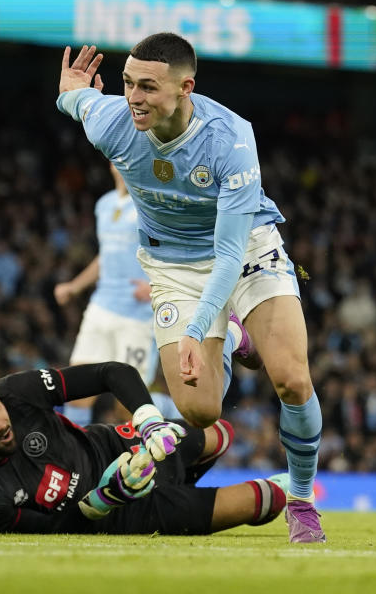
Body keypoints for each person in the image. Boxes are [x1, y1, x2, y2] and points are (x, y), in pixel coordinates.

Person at [55, 33, 324, 543]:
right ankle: (236, 342)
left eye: (148, 87)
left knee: (291, 379)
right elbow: (78, 100)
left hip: (244, 250)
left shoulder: (230, 138)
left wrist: (198, 329)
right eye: (128, 83)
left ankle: (304, 500)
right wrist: (68, 93)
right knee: (202, 410)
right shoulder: (113, 123)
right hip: (172, 266)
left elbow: (227, 256)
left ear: (185, 88)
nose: (133, 96)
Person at [0, 362, 287, 535]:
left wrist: (150, 422)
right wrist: (105, 498)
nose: (0, 421)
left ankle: (182, 480)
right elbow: (58, 531)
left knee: (219, 432)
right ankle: (181, 498)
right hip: (123, 514)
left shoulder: (15, 393)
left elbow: (111, 373)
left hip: (123, 444)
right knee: (265, 499)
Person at [53, 163, 176, 424]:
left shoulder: (152, 203)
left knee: (128, 404)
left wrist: (157, 287)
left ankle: (175, 411)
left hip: (138, 317)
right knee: (77, 392)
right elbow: (105, 256)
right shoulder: (104, 205)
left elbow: (175, 249)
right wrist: (74, 287)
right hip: (101, 306)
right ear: (110, 164)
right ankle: (80, 459)